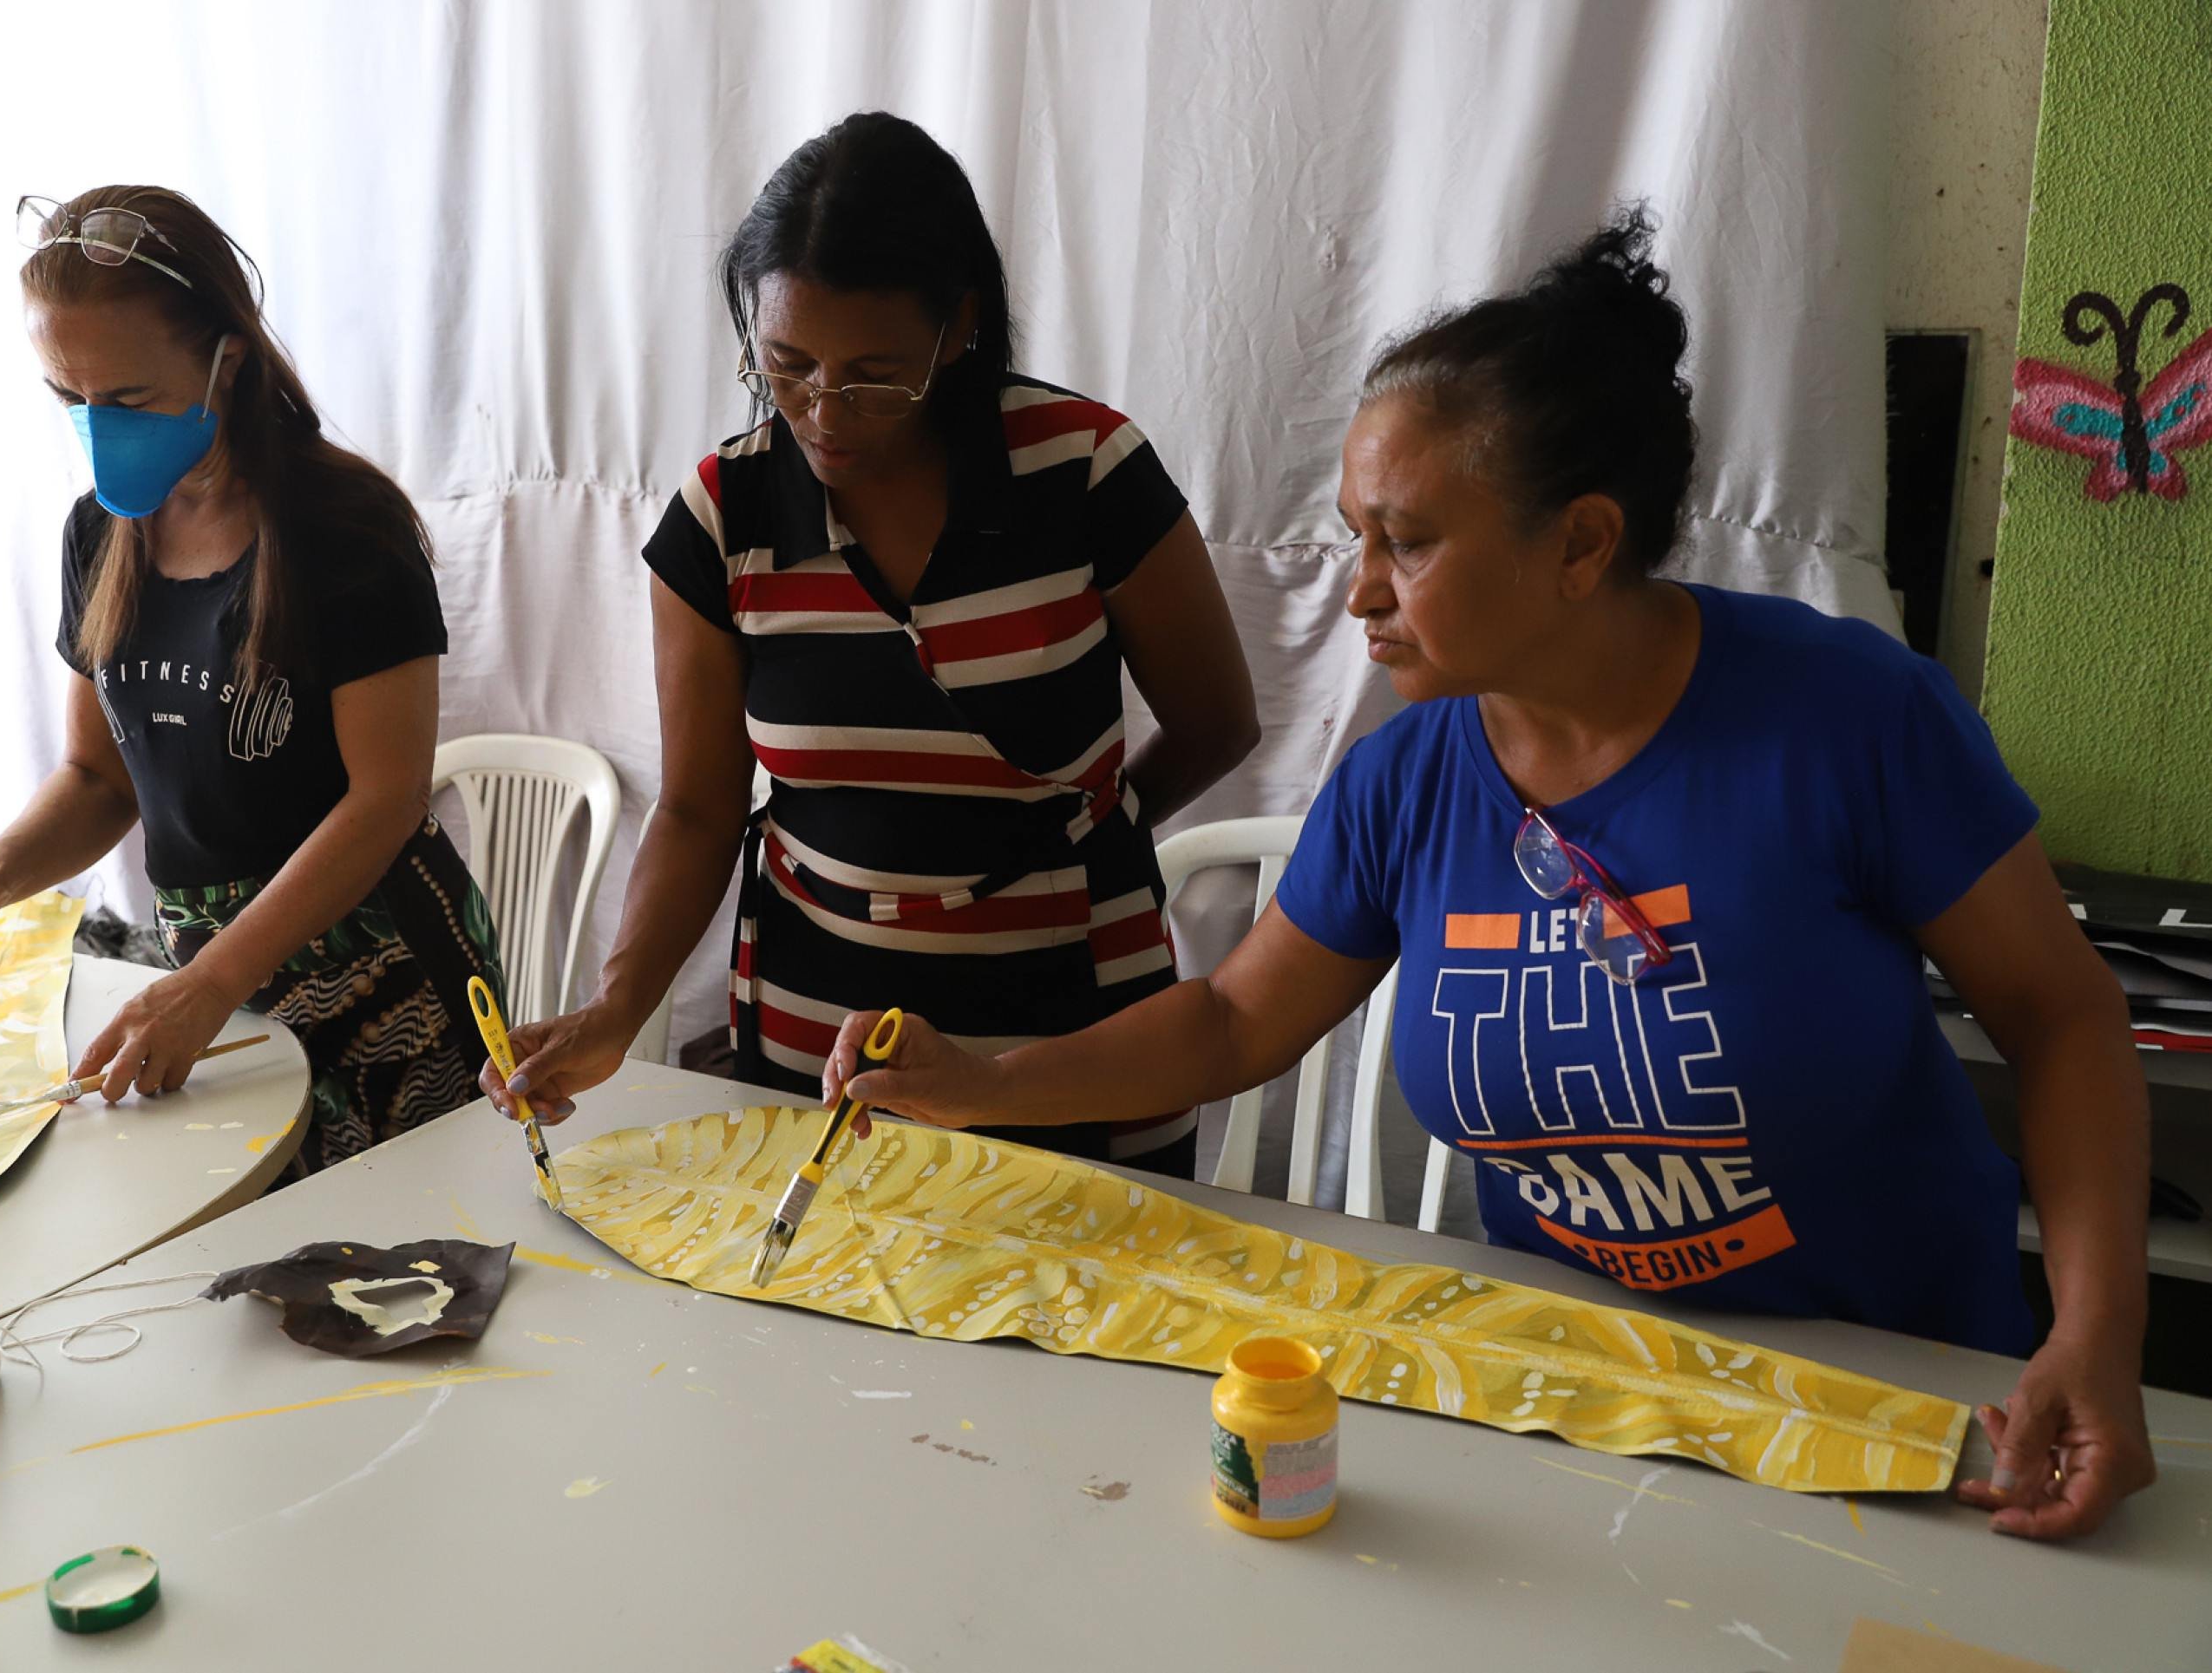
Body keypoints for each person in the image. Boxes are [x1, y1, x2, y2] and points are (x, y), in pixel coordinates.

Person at [819, 210, 2155, 1540]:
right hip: (1581, 1404)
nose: (1358, 594)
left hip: (1911, 1415)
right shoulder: (1406, 778)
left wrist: (2095, 1332)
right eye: (1353, 536)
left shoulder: (1848, 720)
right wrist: (982, 1083)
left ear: (1578, 544)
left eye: (1403, 543)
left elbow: (2061, 1014)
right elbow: (1234, 1021)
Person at [481, 113, 1259, 1176]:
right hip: (814, 1025)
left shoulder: (1082, 470)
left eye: (875, 372)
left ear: (961, 329)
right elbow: (703, 808)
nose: (824, 411)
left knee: (1071, 1308)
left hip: (1074, 1026)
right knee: (814, 1306)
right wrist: (619, 1007)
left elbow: (1218, 720)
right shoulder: (727, 515)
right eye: (787, 365)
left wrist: (1074, 839)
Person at [0, 186, 502, 1175]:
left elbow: (384, 802)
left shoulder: (347, 531)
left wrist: (212, 983)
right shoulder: (101, 530)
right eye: (66, 399)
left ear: (228, 358)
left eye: (125, 400)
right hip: (209, 964)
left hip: (378, 963)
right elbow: (100, 778)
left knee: (400, 1277)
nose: (94, 426)